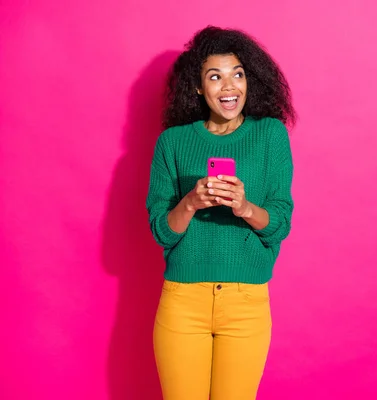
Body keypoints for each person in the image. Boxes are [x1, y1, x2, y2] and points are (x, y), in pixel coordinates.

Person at [145, 26, 296, 400]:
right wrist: (191, 203)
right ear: (198, 87)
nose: (229, 87)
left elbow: (280, 223)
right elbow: (161, 231)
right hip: (183, 302)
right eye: (215, 76)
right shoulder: (173, 142)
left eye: (238, 74)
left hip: (246, 303)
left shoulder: (270, 135)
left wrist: (244, 207)